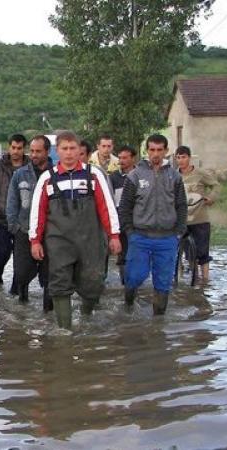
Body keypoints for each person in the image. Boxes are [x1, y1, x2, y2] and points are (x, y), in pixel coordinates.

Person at [29, 131, 121, 329]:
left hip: (90, 240)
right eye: (64, 149)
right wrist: (35, 240)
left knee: (94, 281)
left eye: (73, 148)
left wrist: (114, 235)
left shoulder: (94, 174)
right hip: (58, 242)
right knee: (60, 284)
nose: (69, 153)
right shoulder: (47, 178)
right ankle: (65, 331)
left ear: (80, 150)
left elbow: (107, 207)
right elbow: (37, 212)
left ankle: (87, 316)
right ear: (57, 151)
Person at [119, 134, 187, 315]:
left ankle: (158, 326)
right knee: (134, 277)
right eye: (152, 150)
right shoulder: (135, 175)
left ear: (165, 151)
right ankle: (128, 307)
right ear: (146, 151)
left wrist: (179, 231)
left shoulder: (175, 177)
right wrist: (129, 232)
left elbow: (181, 205)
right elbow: (125, 206)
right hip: (140, 237)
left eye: (159, 150)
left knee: (163, 283)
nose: (155, 154)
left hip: (167, 238)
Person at [6, 135, 53, 311]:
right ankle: (22, 311)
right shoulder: (20, 174)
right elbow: (12, 203)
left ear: (47, 152)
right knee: (22, 273)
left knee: (50, 277)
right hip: (24, 231)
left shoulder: (56, 174)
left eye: (38, 151)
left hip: (51, 234)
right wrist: (15, 228)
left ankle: (48, 314)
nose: (33, 154)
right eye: (31, 151)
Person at [0, 133, 28, 293]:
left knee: (21, 260)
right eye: (13, 147)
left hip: (23, 222)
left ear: (24, 149)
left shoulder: (29, 168)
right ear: (9, 147)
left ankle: (16, 293)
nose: (16, 151)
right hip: (2, 220)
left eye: (19, 148)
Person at [174, 145, 221, 283]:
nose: (181, 160)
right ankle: (192, 280)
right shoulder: (173, 175)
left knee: (203, 252)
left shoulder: (200, 174)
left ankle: (205, 281)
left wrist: (211, 197)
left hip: (200, 218)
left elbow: (216, 185)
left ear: (189, 158)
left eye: (183, 157)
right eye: (178, 157)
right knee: (187, 253)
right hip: (182, 220)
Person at [109, 145, 137, 282]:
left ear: (133, 158)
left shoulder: (141, 176)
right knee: (122, 253)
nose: (122, 160)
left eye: (125, 158)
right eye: (120, 158)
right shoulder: (113, 177)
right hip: (120, 219)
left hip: (138, 219)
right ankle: (125, 283)